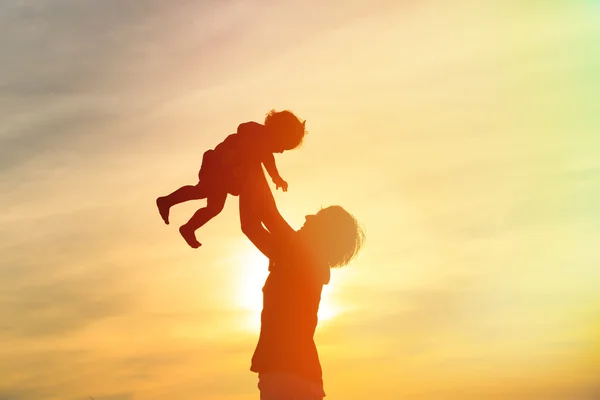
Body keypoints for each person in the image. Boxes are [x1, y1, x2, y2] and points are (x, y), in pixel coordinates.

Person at [239, 164, 365, 400]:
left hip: (288, 374)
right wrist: (244, 178)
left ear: (324, 233)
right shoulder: (293, 257)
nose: (308, 217)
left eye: (317, 218)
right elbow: (250, 226)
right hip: (285, 372)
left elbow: (268, 214)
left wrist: (252, 165)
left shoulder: (302, 255)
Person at [156, 110, 306, 248]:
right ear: (279, 131)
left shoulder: (264, 149)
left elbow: (269, 163)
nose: (281, 151)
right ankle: (167, 202)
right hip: (217, 166)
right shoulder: (256, 132)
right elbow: (243, 133)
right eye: (283, 146)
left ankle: (188, 227)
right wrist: (235, 158)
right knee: (201, 191)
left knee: (214, 207)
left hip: (225, 177)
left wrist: (277, 178)